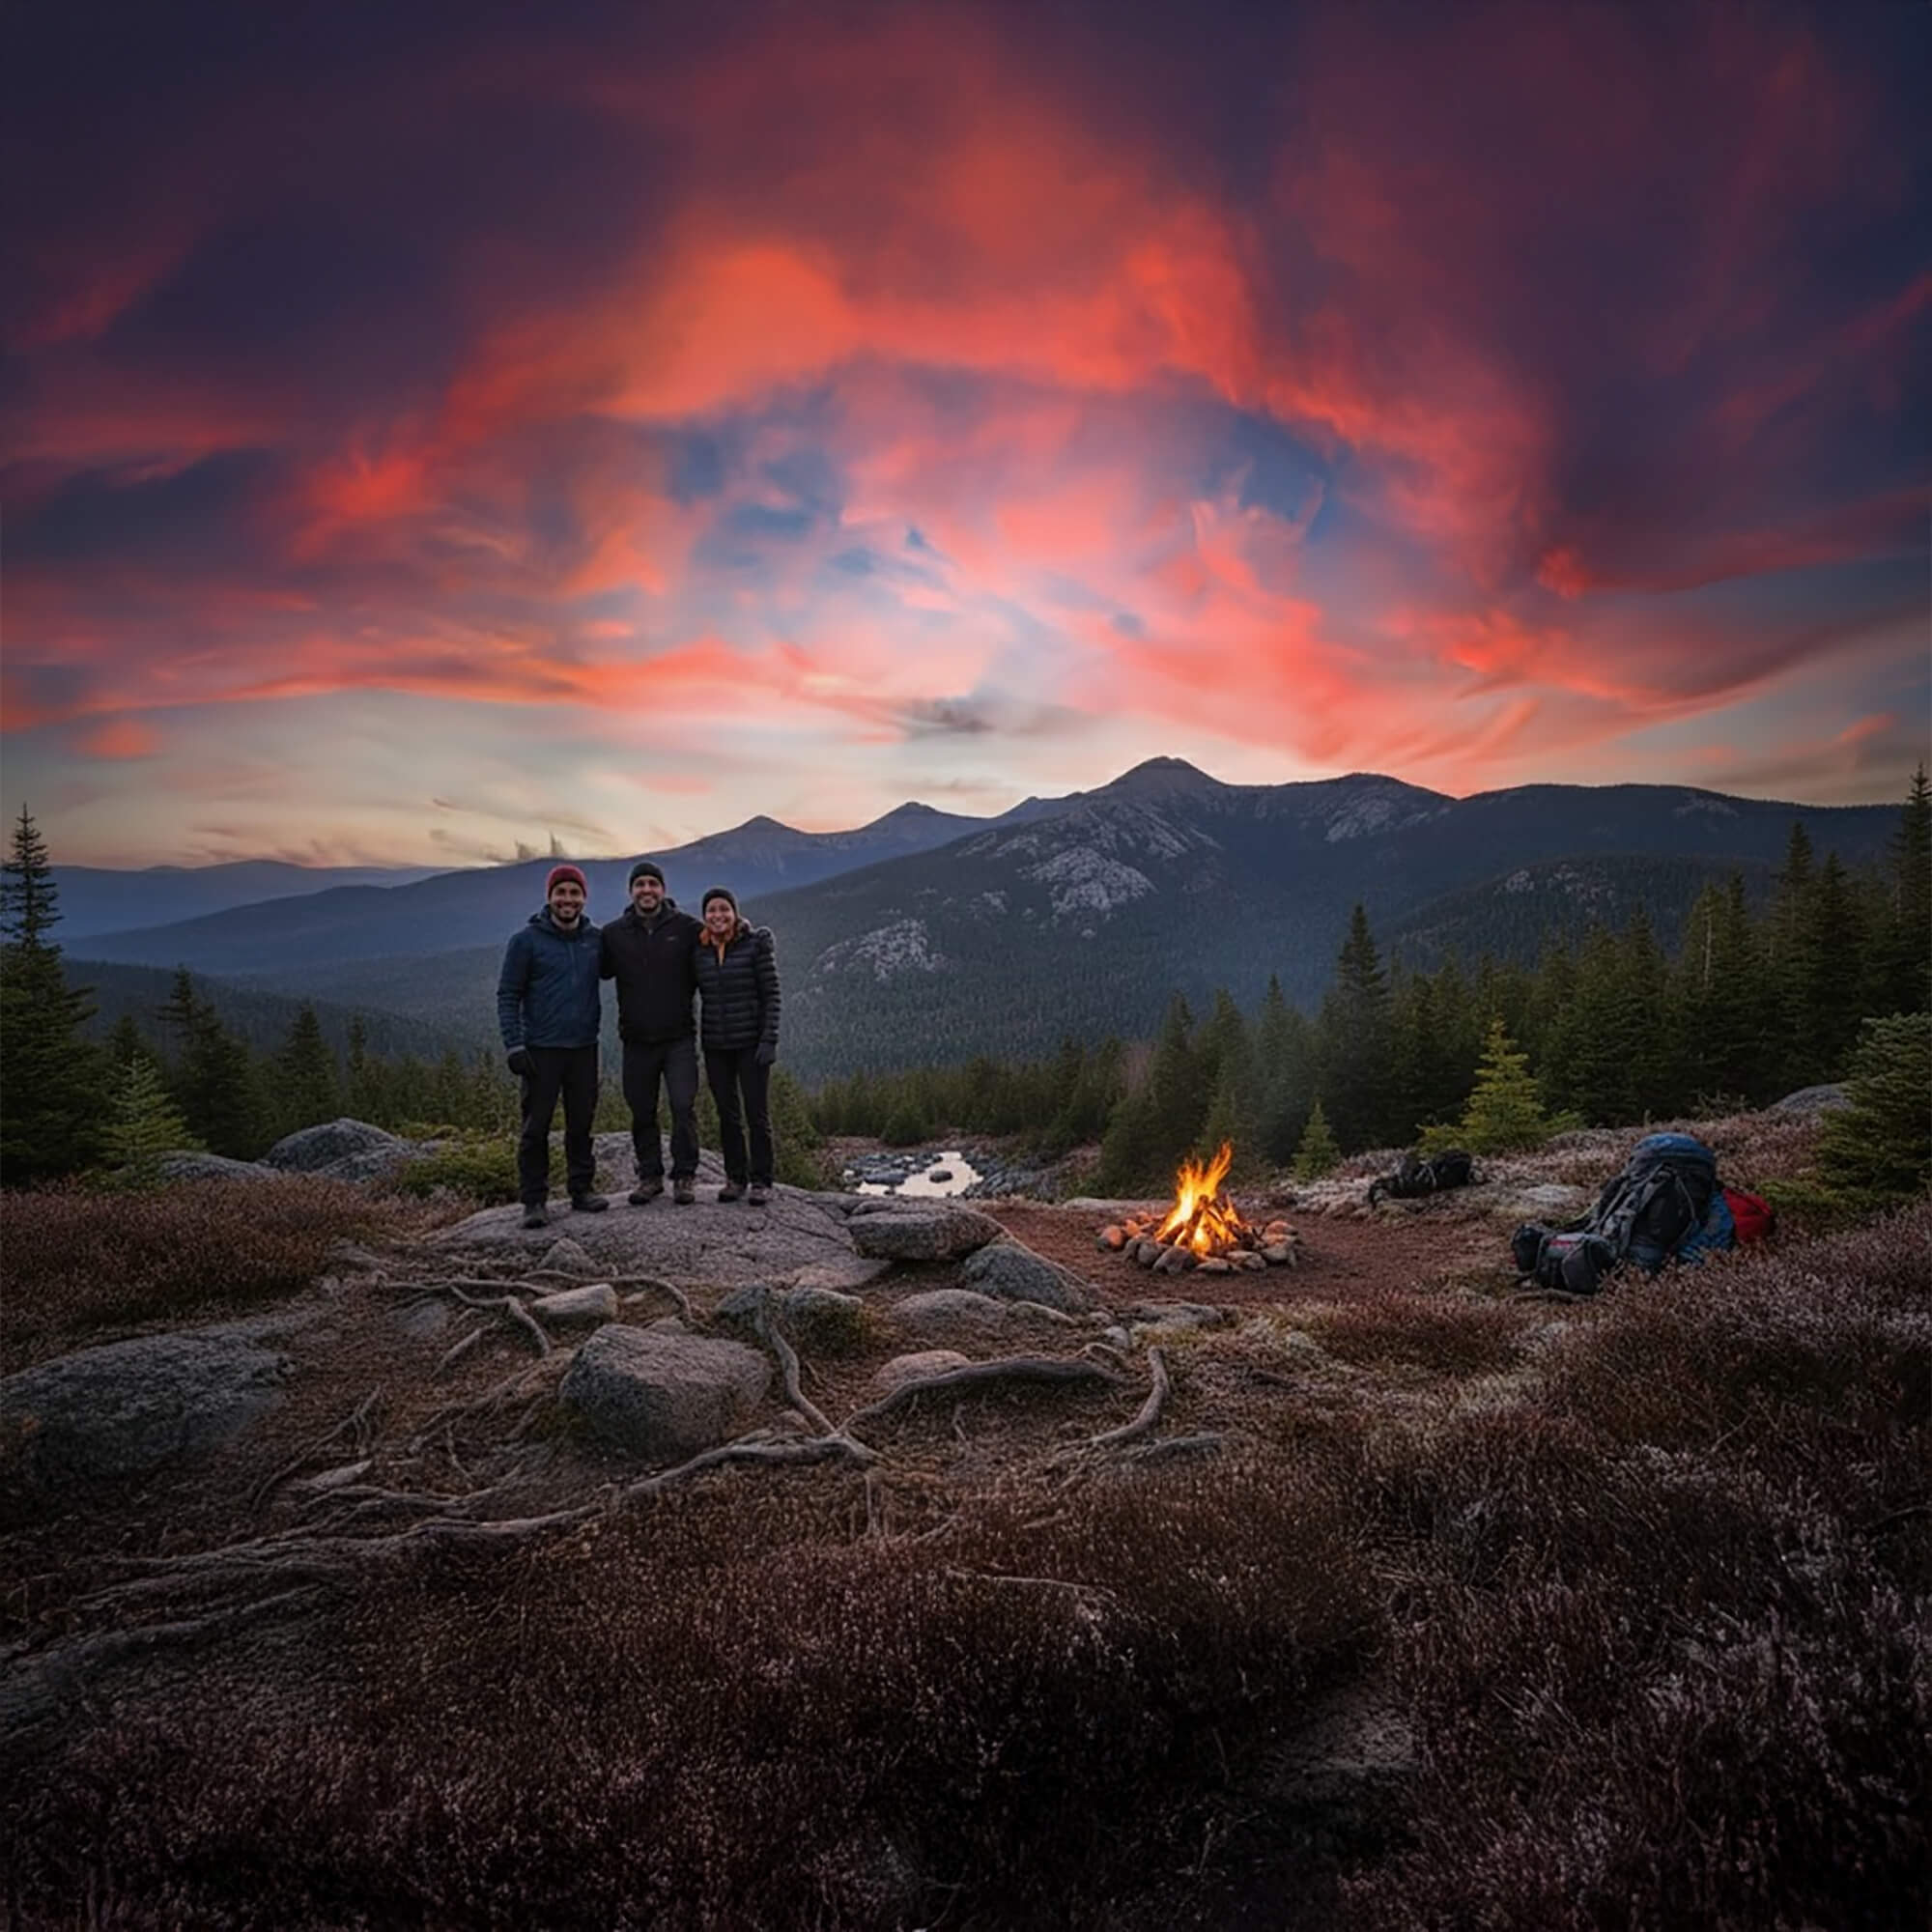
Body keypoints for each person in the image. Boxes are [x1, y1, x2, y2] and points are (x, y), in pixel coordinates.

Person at [497, 864, 607, 1230]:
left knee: (581, 1124)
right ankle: (534, 1200)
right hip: (540, 1049)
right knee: (535, 1128)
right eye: (561, 892)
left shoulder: (595, 940)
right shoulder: (526, 942)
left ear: (584, 898)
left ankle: (581, 1190)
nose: (568, 900)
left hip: (583, 1047)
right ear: (550, 897)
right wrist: (514, 1044)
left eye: (574, 893)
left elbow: (638, 955)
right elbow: (508, 994)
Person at [599, 859, 703, 1206]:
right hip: (636, 1039)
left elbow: (722, 938)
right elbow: (591, 967)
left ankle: (685, 1176)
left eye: (652, 884)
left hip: (679, 1038)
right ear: (631, 891)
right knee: (642, 1110)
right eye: (640, 884)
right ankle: (650, 1176)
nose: (647, 890)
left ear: (663, 890)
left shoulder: (687, 928)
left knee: (682, 1105)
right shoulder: (613, 934)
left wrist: (745, 929)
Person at [693, 886, 781, 1205]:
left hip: (751, 1044)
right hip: (716, 1045)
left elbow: (771, 995)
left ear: (734, 912)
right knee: (727, 1114)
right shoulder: (699, 951)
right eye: (711, 910)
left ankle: (761, 1180)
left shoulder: (755, 945)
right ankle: (735, 1178)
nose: (718, 915)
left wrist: (769, 1038)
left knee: (757, 1114)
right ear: (704, 917)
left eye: (723, 909)